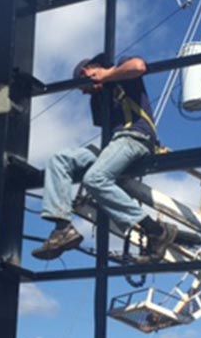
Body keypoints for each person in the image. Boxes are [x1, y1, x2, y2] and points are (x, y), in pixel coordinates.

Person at [33, 53, 184, 261]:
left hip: (135, 138)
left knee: (95, 179)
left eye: (83, 86)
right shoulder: (98, 98)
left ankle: (156, 230)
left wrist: (106, 75)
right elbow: (105, 127)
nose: (85, 93)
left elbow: (138, 66)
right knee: (59, 160)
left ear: (88, 72)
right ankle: (63, 228)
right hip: (114, 145)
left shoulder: (121, 70)